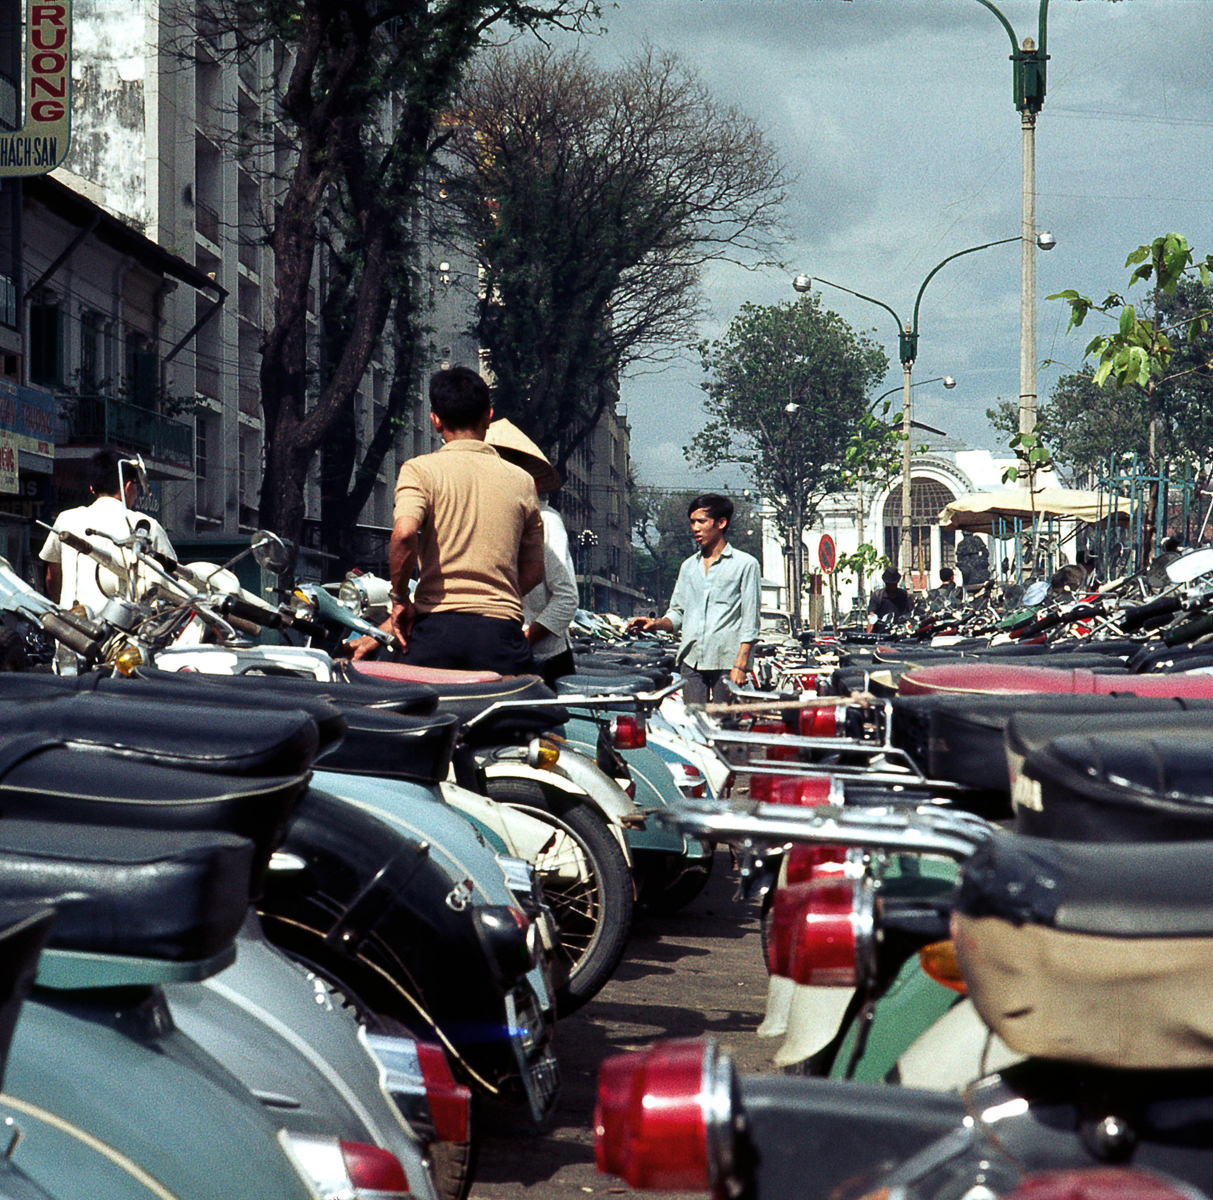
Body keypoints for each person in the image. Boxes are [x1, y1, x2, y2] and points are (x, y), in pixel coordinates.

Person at [357, 366, 545, 674]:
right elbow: (535, 571)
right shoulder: (522, 481)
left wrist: (400, 598)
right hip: (501, 635)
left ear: (435, 420)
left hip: (435, 634)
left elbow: (404, 534)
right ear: (488, 417)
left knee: (399, 699)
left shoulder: (420, 470)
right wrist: (496, 595)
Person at [627, 493, 760, 705]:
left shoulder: (746, 565)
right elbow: (678, 612)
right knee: (692, 720)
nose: (695, 528)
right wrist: (656, 624)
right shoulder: (689, 567)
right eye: (692, 522)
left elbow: (750, 621)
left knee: (724, 721)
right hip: (692, 661)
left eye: (701, 521)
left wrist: (741, 666)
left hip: (727, 662)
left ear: (721, 523)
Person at [485, 417, 579, 687]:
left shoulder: (546, 520)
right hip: (498, 655)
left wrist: (524, 640)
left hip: (544, 660)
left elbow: (566, 599)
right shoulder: (486, 521)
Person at [38, 447, 174, 614]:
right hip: (128, 627)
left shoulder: (66, 519)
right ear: (128, 487)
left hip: (71, 624)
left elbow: (52, 576)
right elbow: (172, 577)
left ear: (92, 488)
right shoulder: (145, 525)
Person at [866, 566, 912, 632]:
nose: (891, 586)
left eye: (894, 584)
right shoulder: (877, 595)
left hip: (899, 631)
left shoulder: (904, 595)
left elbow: (910, 613)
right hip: (881, 631)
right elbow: (871, 617)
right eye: (889, 584)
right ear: (886, 583)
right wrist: (869, 634)